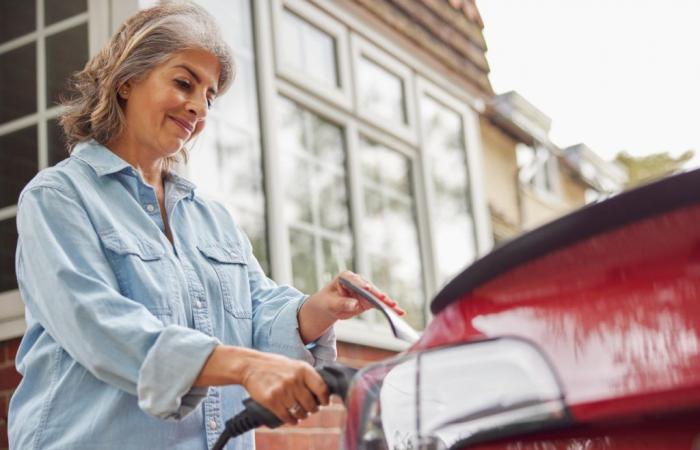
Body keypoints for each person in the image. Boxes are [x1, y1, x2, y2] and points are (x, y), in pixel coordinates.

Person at [8, 3, 404, 449]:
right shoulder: (59, 197)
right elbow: (98, 326)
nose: (198, 107)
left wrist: (318, 309)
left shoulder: (211, 219)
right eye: (183, 83)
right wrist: (243, 366)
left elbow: (257, 310)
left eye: (210, 96)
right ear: (127, 81)